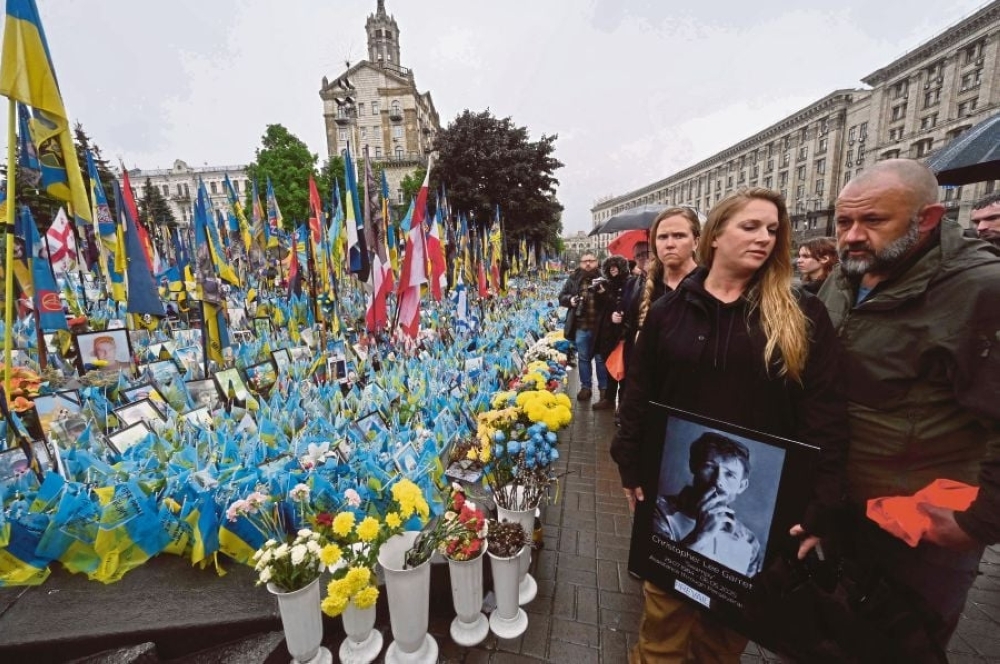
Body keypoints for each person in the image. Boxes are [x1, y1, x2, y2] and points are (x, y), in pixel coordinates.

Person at [611, 188, 848, 663]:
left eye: (773, 230)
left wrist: (824, 499)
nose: (764, 238)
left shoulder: (801, 314)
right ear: (716, 235)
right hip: (672, 507)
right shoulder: (667, 312)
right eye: (750, 226)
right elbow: (639, 395)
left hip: (760, 524)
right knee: (662, 633)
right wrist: (630, 465)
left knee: (722, 643)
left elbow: (825, 413)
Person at [819, 159, 1000, 649]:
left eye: (874, 221)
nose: (853, 235)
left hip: (919, 530)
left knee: (898, 647)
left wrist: (978, 522)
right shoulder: (844, 277)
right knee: (820, 639)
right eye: (844, 222)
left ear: (928, 218)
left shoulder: (982, 289)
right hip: (838, 509)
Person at [652, 431, 763, 577]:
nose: (717, 481)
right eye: (709, 467)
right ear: (693, 466)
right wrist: (700, 535)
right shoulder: (658, 509)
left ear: (741, 486)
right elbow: (656, 571)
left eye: (730, 474)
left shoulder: (749, 541)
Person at [619, 207, 701, 380]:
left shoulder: (711, 286)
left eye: (679, 235)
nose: (670, 243)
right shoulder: (646, 287)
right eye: (662, 237)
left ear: (696, 241)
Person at [557, 252, 606, 402]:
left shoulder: (605, 278)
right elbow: (561, 297)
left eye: (591, 260)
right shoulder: (573, 279)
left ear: (597, 262)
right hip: (581, 327)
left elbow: (614, 300)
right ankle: (586, 387)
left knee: (600, 359)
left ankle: (603, 390)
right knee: (584, 359)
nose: (588, 264)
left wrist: (604, 293)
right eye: (585, 261)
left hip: (601, 328)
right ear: (580, 263)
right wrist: (570, 300)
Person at [592, 255, 630, 410]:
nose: (613, 269)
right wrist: (600, 293)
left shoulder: (629, 283)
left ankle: (622, 403)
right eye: (610, 267)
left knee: (622, 368)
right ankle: (608, 398)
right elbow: (602, 308)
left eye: (615, 266)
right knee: (609, 365)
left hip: (622, 333)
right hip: (608, 333)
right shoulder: (607, 284)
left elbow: (627, 305)